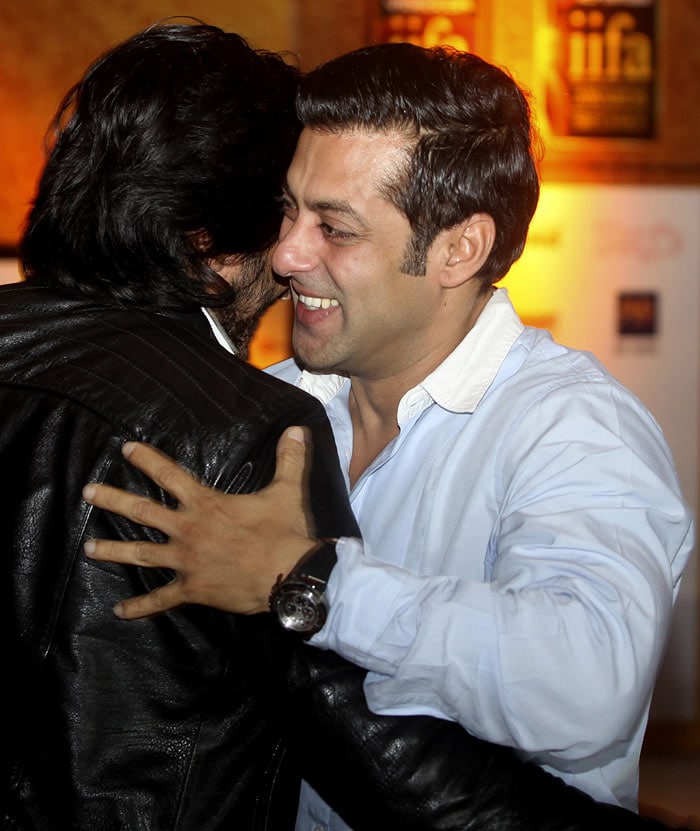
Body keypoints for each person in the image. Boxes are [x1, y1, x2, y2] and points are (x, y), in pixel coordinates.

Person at [8, 19, 692, 831]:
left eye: (335, 227)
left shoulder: (571, 426)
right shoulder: (269, 400)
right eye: (288, 210)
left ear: (458, 249)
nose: (288, 254)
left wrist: (311, 580)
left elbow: (587, 687)